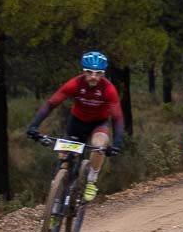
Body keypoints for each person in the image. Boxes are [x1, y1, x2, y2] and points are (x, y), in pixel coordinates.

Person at [27, 51, 125, 201]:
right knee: (63, 158)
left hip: (98, 124)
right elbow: (51, 103)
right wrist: (34, 126)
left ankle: (92, 179)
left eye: (98, 73)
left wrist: (117, 144)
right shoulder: (75, 83)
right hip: (77, 123)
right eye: (89, 72)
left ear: (103, 74)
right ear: (83, 71)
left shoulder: (108, 89)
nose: (93, 76)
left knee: (99, 145)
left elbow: (117, 117)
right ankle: (56, 200)